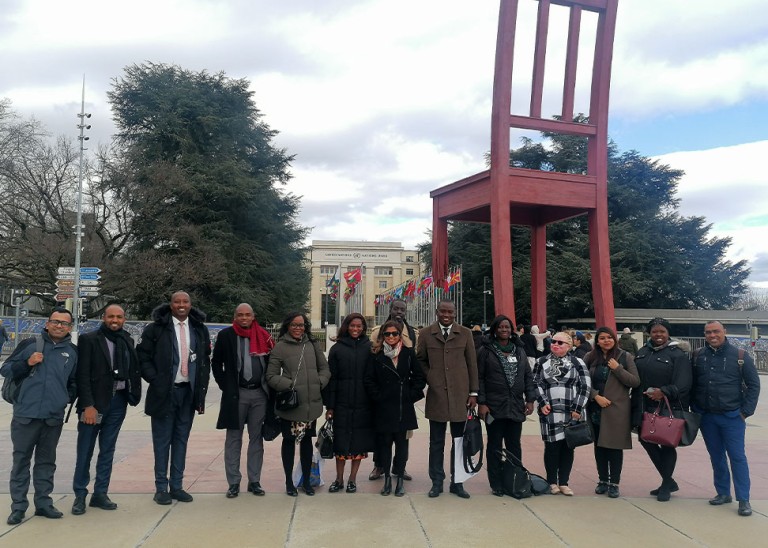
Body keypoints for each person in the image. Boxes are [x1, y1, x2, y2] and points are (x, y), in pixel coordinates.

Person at [1, 308, 77, 525]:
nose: (59, 326)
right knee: (21, 461)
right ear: (47, 323)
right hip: (26, 415)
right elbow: (5, 370)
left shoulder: (71, 352)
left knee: (46, 462)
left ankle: (44, 503)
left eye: (64, 323)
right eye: (55, 321)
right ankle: (18, 507)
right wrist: (27, 363)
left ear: (70, 327)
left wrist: (65, 398)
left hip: (53, 417)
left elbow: (73, 382)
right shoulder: (29, 345)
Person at [137, 291, 211, 505]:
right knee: (162, 441)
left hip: (188, 393)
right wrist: (155, 379)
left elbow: (205, 359)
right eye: (177, 301)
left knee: (181, 440)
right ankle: (161, 487)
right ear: (170, 305)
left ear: (190, 304)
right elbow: (142, 357)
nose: (181, 305)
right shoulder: (156, 329)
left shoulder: (199, 329)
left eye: (185, 301)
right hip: (163, 393)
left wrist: (201, 390)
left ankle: (176, 485)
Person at [71, 304, 142, 515]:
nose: (115, 320)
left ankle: (100, 493)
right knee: (85, 451)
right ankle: (80, 495)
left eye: (119, 317)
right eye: (111, 316)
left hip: (118, 402)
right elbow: (82, 375)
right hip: (94, 404)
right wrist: (87, 405)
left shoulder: (127, 340)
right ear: (104, 318)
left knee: (107, 451)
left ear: (124, 319)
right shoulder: (89, 339)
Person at [692, 321, 761, 517]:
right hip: (707, 417)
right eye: (708, 332)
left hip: (732, 417)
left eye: (716, 331)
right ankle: (723, 493)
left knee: (737, 457)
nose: (712, 335)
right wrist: (695, 408)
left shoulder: (740, 356)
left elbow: (754, 385)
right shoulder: (698, 356)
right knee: (717, 457)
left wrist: (745, 412)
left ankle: (743, 499)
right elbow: (693, 384)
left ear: (725, 332)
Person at [211, 303, 274, 499]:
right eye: (240, 315)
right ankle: (234, 482)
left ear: (253, 316)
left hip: (259, 395)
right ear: (235, 317)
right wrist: (226, 386)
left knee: (256, 438)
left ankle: (254, 480)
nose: (244, 318)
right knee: (233, 438)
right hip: (236, 394)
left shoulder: (264, 336)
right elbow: (216, 363)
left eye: (248, 315)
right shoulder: (226, 336)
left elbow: (272, 364)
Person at [417, 299, 478, 499]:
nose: (446, 315)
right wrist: (431, 376)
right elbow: (421, 360)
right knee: (436, 442)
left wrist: (473, 393)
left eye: (450, 312)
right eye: (443, 311)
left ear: (455, 313)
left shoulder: (465, 333)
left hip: (461, 395)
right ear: (437, 312)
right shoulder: (426, 334)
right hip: (437, 395)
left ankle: (457, 481)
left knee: (459, 442)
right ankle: (436, 481)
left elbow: (472, 365)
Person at [266, 312, 330, 496]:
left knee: (307, 443)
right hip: (292, 405)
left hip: (311, 405)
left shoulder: (312, 344)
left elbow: (324, 368)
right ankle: (288, 482)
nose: (298, 328)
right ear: (287, 326)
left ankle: (307, 481)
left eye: (301, 325)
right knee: (288, 442)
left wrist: (319, 382)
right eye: (294, 325)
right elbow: (271, 376)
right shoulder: (280, 347)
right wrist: (290, 385)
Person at [632, 317, 691, 502]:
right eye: (655, 331)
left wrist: (663, 392)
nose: (658, 335)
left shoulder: (677, 354)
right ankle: (669, 480)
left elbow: (684, 383)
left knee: (666, 444)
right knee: (645, 439)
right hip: (644, 406)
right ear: (649, 332)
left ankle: (666, 484)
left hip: (667, 406)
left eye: (662, 331)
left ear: (667, 333)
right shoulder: (642, 352)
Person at [365, 320, 426, 497]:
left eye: (394, 334)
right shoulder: (376, 355)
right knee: (384, 445)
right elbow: (369, 380)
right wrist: (377, 396)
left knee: (402, 446)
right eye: (387, 334)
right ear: (382, 336)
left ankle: (399, 478)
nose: (391, 337)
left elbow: (419, 377)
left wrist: (411, 395)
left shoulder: (407, 354)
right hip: (383, 407)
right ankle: (385, 481)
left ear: (400, 335)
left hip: (402, 407)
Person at [476, 315, 535, 497]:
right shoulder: (486, 350)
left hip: (515, 405)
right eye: (501, 327)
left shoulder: (519, 350)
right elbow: (480, 378)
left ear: (512, 330)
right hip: (494, 406)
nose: (504, 330)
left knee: (514, 445)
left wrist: (530, 399)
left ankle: (514, 479)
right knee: (494, 445)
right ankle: (496, 483)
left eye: (507, 327)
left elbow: (527, 376)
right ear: (494, 329)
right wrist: (482, 403)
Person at [584, 326, 640, 498]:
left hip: (617, 409)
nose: (606, 340)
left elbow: (635, 381)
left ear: (615, 339)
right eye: (602, 338)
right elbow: (582, 380)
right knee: (599, 446)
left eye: (609, 337)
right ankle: (602, 480)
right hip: (596, 407)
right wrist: (594, 396)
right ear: (597, 340)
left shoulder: (625, 356)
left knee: (614, 447)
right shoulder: (590, 357)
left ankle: (614, 483)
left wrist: (617, 368)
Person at [532, 331, 590, 496]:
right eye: (553, 341)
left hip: (571, 411)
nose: (555, 345)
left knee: (567, 447)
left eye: (560, 343)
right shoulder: (541, 361)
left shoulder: (577, 362)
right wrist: (542, 402)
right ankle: (551, 481)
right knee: (551, 448)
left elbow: (585, 385)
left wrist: (578, 407)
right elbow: (535, 382)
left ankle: (564, 481)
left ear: (569, 346)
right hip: (549, 411)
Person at [324, 313, 375, 494]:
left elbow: (372, 377)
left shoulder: (369, 348)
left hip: (363, 403)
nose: (356, 329)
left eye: (359, 326)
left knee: (358, 444)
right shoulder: (337, 349)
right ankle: (339, 479)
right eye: (352, 326)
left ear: (363, 328)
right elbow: (332, 379)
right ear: (347, 326)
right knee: (341, 443)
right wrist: (330, 406)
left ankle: (352, 479)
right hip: (342, 403)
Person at [368, 298, 417, 481]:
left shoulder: (412, 333)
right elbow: (372, 359)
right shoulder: (377, 332)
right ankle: (379, 466)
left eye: (402, 309)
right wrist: (377, 394)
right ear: (390, 309)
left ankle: (400, 467)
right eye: (396, 308)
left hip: (403, 396)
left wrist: (412, 394)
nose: (399, 311)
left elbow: (415, 363)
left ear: (406, 311)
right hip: (384, 395)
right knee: (382, 435)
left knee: (403, 437)